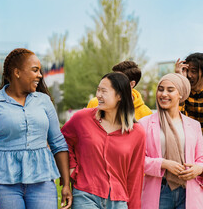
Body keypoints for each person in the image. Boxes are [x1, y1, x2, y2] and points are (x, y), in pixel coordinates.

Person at [0, 48, 72, 209]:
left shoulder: (44, 101)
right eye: (35, 70)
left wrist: (66, 183)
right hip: (1, 183)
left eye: (40, 71)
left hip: (42, 181)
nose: (40, 75)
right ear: (17, 72)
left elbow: (58, 143)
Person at [62, 72, 146, 209]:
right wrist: (72, 168)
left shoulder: (137, 132)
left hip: (118, 200)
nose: (98, 95)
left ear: (120, 96)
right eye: (98, 90)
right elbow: (62, 140)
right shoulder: (82, 118)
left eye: (104, 91)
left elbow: (135, 176)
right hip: (86, 194)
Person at [140, 73, 203, 209]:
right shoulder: (143, 124)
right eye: (160, 89)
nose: (163, 94)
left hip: (189, 191)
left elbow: (201, 158)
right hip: (160, 191)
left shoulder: (194, 125)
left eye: (170, 90)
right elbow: (136, 160)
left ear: (181, 94)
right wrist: (163, 163)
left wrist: (198, 168)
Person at [87, 60, 152, 120]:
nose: (112, 82)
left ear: (132, 84)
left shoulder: (145, 114)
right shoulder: (95, 103)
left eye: (119, 79)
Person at [175, 53, 203, 131]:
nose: (189, 75)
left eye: (193, 71)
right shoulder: (183, 93)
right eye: (187, 71)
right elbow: (178, 121)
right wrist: (181, 81)